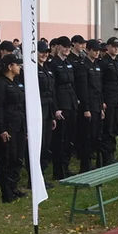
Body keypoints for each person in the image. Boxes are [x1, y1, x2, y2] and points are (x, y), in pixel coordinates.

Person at [0, 54, 27, 203]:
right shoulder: (0, 84)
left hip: (18, 123)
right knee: (7, 157)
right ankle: (6, 190)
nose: (19, 67)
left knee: (17, 156)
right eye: (17, 65)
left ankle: (14, 186)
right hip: (8, 124)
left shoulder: (16, 82)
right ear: (10, 67)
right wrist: (2, 128)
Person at [46, 36, 77, 180]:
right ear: (57, 47)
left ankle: (66, 166)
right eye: (64, 47)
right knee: (60, 139)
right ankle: (58, 170)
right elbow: (52, 89)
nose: (67, 50)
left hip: (71, 103)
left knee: (70, 137)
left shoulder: (68, 63)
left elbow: (72, 83)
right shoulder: (53, 64)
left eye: (69, 47)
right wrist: (56, 108)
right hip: (61, 104)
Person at [74, 39, 104, 172]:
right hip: (89, 106)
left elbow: (99, 87)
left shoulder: (96, 65)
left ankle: (95, 162)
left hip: (97, 105)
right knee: (87, 136)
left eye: (98, 51)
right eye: (94, 50)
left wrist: (101, 107)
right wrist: (86, 108)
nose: (97, 53)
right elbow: (83, 89)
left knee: (96, 136)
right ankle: (85, 166)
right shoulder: (83, 66)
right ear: (88, 50)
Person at [98, 37, 118, 166]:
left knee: (115, 127)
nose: (116, 48)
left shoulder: (117, 61)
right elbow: (100, 83)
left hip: (117, 99)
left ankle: (112, 154)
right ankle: (106, 156)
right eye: (114, 46)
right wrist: (102, 101)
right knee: (107, 128)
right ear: (107, 47)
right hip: (108, 99)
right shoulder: (104, 62)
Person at [36, 39, 57, 189]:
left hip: (48, 111)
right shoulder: (31, 70)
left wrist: (54, 112)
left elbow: (52, 92)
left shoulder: (47, 69)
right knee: (38, 145)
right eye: (41, 52)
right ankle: (34, 178)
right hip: (38, 111)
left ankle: (41, 175)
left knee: (46, 144)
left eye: (46, 52)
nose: (44, 54)